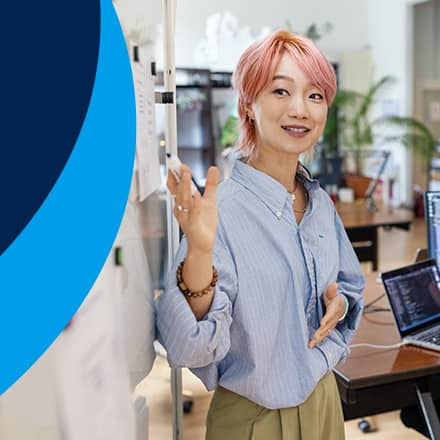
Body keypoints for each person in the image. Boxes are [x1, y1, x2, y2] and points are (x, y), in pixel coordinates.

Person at [156, 29, 364, 440]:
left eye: (315, 95)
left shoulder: (319, 204)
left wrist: (337, 304)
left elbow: (350, 288)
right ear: (249, 104)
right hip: (256, 421)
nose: (300, 109)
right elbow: (185, 347)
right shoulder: (224, 212)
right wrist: (199, 252)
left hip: (324, 401)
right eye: (281, 91)